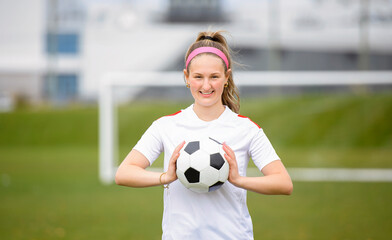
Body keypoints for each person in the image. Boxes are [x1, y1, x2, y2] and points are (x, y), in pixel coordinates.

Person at [115, 30, 293, 240]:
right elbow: (123, 173)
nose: (206, 85)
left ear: (226, 77)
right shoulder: (166, 126)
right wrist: (166, 177)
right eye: (198, 77)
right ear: (186, 77)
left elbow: (284, 183)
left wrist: (238, 180)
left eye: (214, 77)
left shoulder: (246, 129)